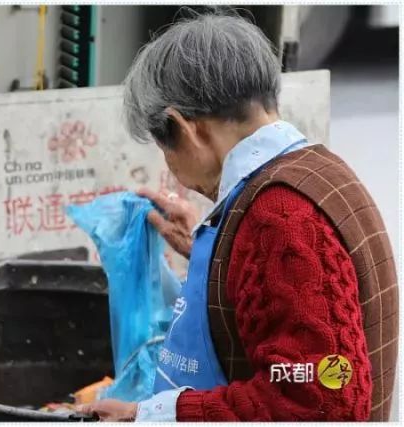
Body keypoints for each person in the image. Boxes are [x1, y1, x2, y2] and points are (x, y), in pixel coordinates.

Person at [77, 12, 398, 422]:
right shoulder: (318, 171)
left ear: (185, 128)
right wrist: (212, 254)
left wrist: (152, 415)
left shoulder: (281, 217)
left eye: (164, 148)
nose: (172, 168)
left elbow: (320, 402)